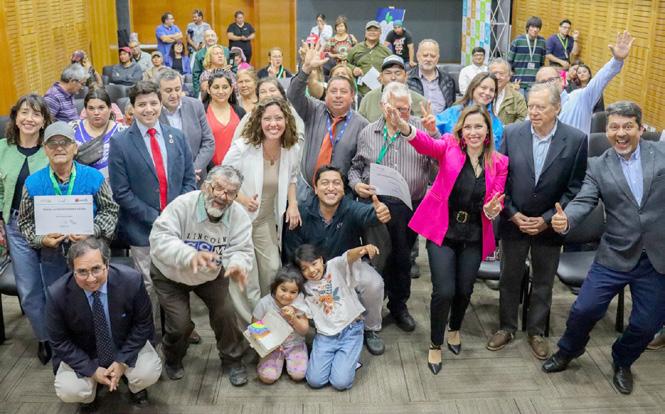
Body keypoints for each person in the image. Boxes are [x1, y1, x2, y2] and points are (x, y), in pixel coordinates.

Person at [544, 101, 665, 395]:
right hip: (615, 253)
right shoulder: (598, 165)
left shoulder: (661, 154)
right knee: (583, 310)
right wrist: (566, 220)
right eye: (614, 127)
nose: (620, 133)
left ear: (641, 128)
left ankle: (622, 359)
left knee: (647, 324)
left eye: (627, 126)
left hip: (655, 257)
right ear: (606, 129)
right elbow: (585, 200)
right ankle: (568, 350)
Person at [403, 104, 508, 373]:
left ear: (487, 132)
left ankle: (455, 328)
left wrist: (492, 209)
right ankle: (435, 343)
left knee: (464, 290)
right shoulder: (449, 146)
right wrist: (404, 127)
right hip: (443, 231)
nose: (473, 132)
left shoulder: (500, 162)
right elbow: (426, 144)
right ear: (461, 130)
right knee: (444, 291)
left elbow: (496, 198)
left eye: (478, 127)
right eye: (468, 127)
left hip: (474, 233)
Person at [486, 82, 588, 360]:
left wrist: (547, 219)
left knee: (543, 281)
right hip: (514, 221)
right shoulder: (512, 133)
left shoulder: (576, 140)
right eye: (531, 106)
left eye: (541, 107)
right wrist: (512, 213)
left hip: (549, 225)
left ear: (557, 108)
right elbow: (500, 180)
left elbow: (575, 187)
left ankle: (536, 331)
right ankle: (507, 327)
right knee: (509, 277)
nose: (533, 112)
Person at [149, 165, 253, 385]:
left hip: (210, 274)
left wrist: (237, 264)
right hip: (170, 273)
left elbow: (242, 249)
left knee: (226, 313)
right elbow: (159, 239)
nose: (222, 197)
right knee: (179, 324)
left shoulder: (239, 216)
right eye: (218, 188)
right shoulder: (183, 205)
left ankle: (232, 360)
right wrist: (190, 256)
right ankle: (173, 358)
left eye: (230, 193)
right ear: (206, 185)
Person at [349, 82, 439, 332]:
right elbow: (355, 168)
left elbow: (439, 165)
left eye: (405, 109)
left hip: (410, 205)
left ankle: (399, 306)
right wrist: (356, 185)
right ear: (383, 106)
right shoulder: (368, 132)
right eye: (395, 109)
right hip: (377, 205)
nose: (400, 114)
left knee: (402, 258)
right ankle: (372, 308)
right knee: (378, 257)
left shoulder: (421, 129)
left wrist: (433, 135)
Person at [283, 165, 390, 356]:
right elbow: (292, 254)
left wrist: (378, 213)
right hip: (313, 272)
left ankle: (370, 329)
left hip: (346, 265)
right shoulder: (302, 212)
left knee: (374, 284)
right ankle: (319, 330)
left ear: (343, 189)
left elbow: (367, 214)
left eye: (336, 183)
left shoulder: (350, 207)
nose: (331, 188)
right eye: (325, 183)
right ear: (316, 188)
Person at [108, 80, 197, 305]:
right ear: (132, 107)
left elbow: (189, 180)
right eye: (141, 104)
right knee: (149, 286)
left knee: (179, 280)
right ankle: (152, 325)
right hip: (142, 228)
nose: (148, 109)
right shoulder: (120, 142)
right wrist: (156, 218)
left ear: (161, 104)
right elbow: (121, 192)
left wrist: (175, 214)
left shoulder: (177, 136)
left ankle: (179, 323)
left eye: (153, 103)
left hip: (177, 226)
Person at [46, 238, 161, 410]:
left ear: (107, 265)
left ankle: (135, 387)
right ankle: (88, 398)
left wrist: (122, 361)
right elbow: (59, 341)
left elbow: (143, 325)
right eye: (82, 272)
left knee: (148, 372)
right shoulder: (57, 294)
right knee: (70, 389)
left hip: (123, 346)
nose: (90, 279)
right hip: (85, 353)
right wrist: (91, 369)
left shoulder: (131, 281)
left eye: (96, 269)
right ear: (72, 271)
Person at [18, 121, 119, 291]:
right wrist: (41, 239)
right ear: (45, 149)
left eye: (65, 142)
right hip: (52, 255)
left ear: (75, 148)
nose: (59, 148)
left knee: (93, 294)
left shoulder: (94, 177)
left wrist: (92, 230)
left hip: (90, 251)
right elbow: (24, 222)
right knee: (57, 297)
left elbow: (110, 211)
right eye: (52, 143)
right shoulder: (32, 183)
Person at [223, 97, 300, 297]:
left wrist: (292, 204)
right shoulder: (243, 148)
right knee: (247, 277)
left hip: (265, 219)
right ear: (259, 121)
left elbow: (292, 177)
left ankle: (269, 311)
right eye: (267, 119)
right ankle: (249, 316)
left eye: (278, 118)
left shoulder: (291, 149)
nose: (273, 124)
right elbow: (221, 179)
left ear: (286, 120)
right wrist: (243, 199)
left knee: (273, 269)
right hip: (239, 219)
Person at [0, 94, 52, 364]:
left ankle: (62, 335)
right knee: (29, 287)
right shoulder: (2, 149)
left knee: (54, 285)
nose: (29, 119)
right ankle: (44, 337)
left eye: (36, 114)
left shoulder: (52, 149)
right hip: (16, 225)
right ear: (15, 117)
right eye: (24, 112)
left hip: (50, 226)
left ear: (44, 121)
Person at [288, 43, 369, 202]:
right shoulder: (313, 110)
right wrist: (306, 69)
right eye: (333, 91)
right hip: (307, 191)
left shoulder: (362, 125)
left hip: (342, 196)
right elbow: (293, 94)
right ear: (325, 95)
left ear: (352, 96)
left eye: (343, 92)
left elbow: (362, 165)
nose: (338, 95)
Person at [295, 243, 378, 390]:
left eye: (314, 263)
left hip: (350, 330)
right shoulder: (304, 287)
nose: (311, 270)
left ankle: (347, 361)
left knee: (340, 383)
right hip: (325, 335)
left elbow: (348, 256)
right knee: (314, 381)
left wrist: (363, 249)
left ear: (321, 259)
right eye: (304, 268)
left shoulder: (334, 266)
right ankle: (342, 361)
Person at [535, 30, 634, 136]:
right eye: (543, 82)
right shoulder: (535, 111)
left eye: (551, 80)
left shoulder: (579, 98)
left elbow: (600, 79)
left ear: (561, 81)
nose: (548, 85)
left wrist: (616, 60)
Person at [253, 266, 310, 384]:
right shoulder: (265, 303)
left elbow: (304, 330)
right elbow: (255, 326)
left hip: (295, 344)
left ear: (299, 292)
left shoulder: (299, 304)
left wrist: (293, 318)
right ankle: (274, 361)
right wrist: (269, 344)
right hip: (272, 347)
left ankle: (291, 360)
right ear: (275, 287)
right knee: (267, 378)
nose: (287, 295)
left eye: (293, 292)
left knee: (299, 375)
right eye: (283, 290)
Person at [157, 69, 214, 183]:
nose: (174, 95)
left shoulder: (196, 106)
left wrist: (192, 170)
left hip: (197, 178)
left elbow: (208, 142)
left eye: (177, 89)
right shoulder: (154, 113)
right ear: (158, 92)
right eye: (168, 91)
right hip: (167, 180)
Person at [436, 72, 504, 148]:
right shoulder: (453, 112)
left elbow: (496, 151)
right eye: (483, 88)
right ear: (473, 88)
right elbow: (433, 134)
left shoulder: (496, 123)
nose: (487, 92)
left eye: (492, 90)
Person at [71, 88, 127, 178]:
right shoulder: (73, 128)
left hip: (112, 182)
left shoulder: (122, 132)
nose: (96, 112)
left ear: (110, 109)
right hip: (78, 181)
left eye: (101, 108)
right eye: (91, 108)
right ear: (85, 110)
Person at [233, 77, 305, 145]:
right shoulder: (251, 116)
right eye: (263, 92)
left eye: (272, 90)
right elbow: (236, 141)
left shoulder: (292, 113)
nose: (268, 94)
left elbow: (301, 139)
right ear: (258, 97)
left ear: (281, 93)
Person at [358, 55, 427, 123]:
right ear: (381, 77)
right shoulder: (368, 99)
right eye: (388, 73)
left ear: (406, 77)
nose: (393, 77)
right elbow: (361, 127)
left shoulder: (420, 102)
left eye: (398, 73)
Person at [204, 71, 245, 165]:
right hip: (209, 169)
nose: (221, 91)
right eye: (216, 87)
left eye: (225, 87)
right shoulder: (201, 112)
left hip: (236, 166)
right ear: (208, 90)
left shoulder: (240, 112)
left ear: (231, 89)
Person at [407, 39, 456, 115]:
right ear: (418, 56)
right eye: (425, 55)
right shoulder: (407, 79)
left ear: (438, 58)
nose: (429, 59)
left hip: (442, 121)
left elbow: (452, 107)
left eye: (433, 56)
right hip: (417, 121)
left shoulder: (448, 80)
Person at [347, 20, 391, 96]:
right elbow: (345, 63)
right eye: (369, 30)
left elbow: (393, 68)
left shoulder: (387, 51)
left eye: (375, 30)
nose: (372, 32)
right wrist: (353, 69)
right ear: (365, 32)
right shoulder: (356, 48)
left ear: (380, 33)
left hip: (381, 92)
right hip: (360, 92)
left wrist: (385, 74)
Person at [507, 16, 546, 95]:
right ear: (528, 28)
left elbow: (541, 63)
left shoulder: (542, 42)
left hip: (533, 83)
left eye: (537, 27)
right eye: (533, 27)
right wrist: (510, 79)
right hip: (518, 82)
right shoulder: (518, 41)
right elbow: (509, 61)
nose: (535, 30)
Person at [488, 58, 528, 126]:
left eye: (501, 74)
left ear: (509, 76)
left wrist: (508, 129)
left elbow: (522, 118)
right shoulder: (481, 94)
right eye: (494, 73)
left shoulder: (517, 97)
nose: (497, 77)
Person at [192, 30, 230, 98]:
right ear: (204, 39)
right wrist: (197, 94)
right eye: (207, 36)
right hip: (207, 87)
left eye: (212, 36)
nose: (210, 38)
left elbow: (234, 68)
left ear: (217, 38)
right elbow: (196, 75)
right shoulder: (199, 54)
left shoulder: (226, 50)